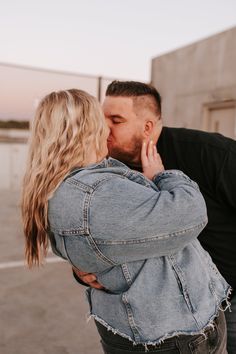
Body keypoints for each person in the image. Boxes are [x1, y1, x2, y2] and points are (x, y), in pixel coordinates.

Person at [21, 88, 230, 354]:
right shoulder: (93, 191)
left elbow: (103, 242)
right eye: (102, 120)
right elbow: (191, 212)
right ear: (87, 129)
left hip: (176, 320)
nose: (107, 129)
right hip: (176, 334)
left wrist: (85, 262)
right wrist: (161, 176)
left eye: (116, 120)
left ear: (147, 126)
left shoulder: (66, 186)